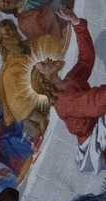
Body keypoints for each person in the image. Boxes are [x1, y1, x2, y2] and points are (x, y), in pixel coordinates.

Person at [30, 18, 106, 171]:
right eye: (44, 64)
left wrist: (77, 24)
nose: (47, 59)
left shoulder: (69, 80)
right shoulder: (63, 102)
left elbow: (85, 60)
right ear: (45, 79)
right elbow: (96, 103)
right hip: (100, 143)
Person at [0, 19, 49, 136]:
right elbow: (16, 102)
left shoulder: (27, 44)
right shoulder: (9, 70)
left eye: (11, 29)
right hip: (41, 103)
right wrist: (39, 118)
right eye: (7, 33)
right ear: (3, 43)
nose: (12, 33)